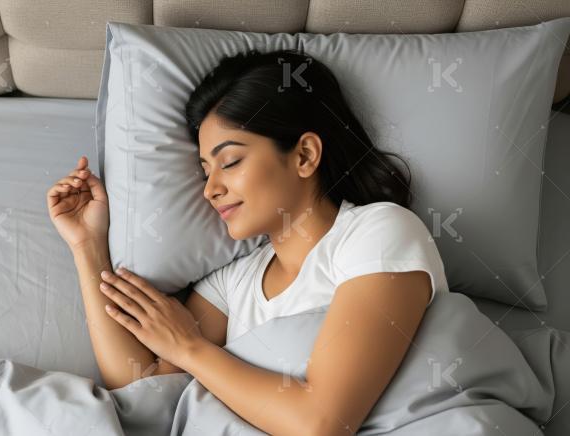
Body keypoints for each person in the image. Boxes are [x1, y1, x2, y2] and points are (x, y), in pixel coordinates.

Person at [47, 49, 449, 435]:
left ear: (305, 155)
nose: (210, 189)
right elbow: (143, 398)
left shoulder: (379, 231)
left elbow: (321, 424)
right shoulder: (231, 284)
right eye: (205, 170)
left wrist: (190, 348)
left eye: (231, 162)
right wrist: (87, 245)